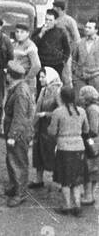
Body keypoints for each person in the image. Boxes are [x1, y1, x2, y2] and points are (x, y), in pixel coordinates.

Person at [48, 86, 88, 215]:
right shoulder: (81, 111)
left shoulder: (58, 112)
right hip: (79, 147)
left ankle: (67, 206)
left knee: (64, 178)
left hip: (64, 147)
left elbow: (52, 131)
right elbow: (86, 130)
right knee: (76, 178)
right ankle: (77, 205)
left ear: (62, 97)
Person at [3, 59, 35, 205]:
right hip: (16, 129)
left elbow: (20, 116)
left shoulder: (20, 92)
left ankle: (20, 193)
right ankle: (14, 186)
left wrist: (12, 136)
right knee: (12, 159)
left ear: (10, 75)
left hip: (19, 132)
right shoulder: (19, 87)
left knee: (18, 161)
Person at [31, 66, 63, 189]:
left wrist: (46, 114)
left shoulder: (58, 91)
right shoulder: (44, 90)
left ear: (49, 77)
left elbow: (61, 111)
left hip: (51, 128)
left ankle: (61, 182)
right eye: (40, 77)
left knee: (52, 153)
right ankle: (39, 179)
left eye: (43, 77)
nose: (40, 79)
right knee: (38, 151)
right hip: (41, 127)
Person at [34, 7, 72, 88]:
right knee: (40, 86)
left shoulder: (61, 33)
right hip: (42, 64)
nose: (47, 22)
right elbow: (32, 45)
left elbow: (67, 50)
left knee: (54, 87)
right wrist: (41, 34)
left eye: (50, 20)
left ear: (55, 21)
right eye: (46, 19)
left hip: (56, 65)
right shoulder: (38, 31)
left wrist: (63, 62)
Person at [79, 83, 99, 209]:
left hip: (93, 142)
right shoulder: (94, 107)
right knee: (94, 170)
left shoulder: (92, 109)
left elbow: (93, 129)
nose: (80, 96)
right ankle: (90, 194)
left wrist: (83, 134)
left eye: (82, 94)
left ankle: (89, 195)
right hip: (95, 142)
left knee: (89, 169)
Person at [75, 19, 99, 93]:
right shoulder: (80, 42)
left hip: (96, 77)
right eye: (86, 27)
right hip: (80, 78)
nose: (86, 29)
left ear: (96, 30)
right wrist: (75, 72)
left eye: (89, 28)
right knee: (81, 100)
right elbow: (74, 58)